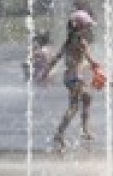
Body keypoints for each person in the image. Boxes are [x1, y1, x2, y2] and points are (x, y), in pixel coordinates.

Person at [42, 10, 102, 152]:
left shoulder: (68, 41)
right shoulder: (82, 42)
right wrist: (100, 70)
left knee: (87, 98)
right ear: (81, 26)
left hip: (69, 77)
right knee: (74, 107)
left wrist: (45, 72)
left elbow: (56, 58)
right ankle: (59, 134)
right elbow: (91, 61)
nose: (89, 29)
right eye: (88, 26)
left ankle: (84, 130)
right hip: (77, 78)